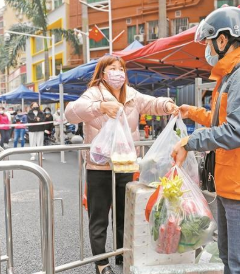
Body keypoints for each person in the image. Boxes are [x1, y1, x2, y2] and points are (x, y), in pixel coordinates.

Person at [171, 6, 240, 274]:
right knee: (229, 259)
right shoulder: (230, 76)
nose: (206, 48)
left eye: (209, 41)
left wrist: (190, 142)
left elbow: (237, 131)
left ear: (223, 39)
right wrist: (193, 113)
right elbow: (221, 120)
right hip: (232, 184)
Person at [65, 55, 178, 274]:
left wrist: (166, 104)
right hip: (100, 167)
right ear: (103, 73)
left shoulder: (131, 94)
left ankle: (121, 254)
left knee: (124, 215)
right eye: (112, 68)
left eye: (121, 68)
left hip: (126, 165)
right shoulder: (94, 93)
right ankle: (101, 263)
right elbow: (71, 113)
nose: (118, 73)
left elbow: (150, 103)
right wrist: (100, 107)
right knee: (99, 217)